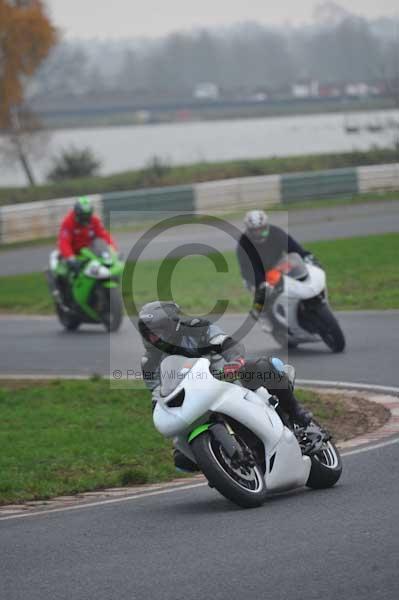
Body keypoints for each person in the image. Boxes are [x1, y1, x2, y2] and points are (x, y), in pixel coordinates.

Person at [138, 300, 312, 472]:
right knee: (182, 459)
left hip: (226, 377)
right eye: (149, 334)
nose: (153, 337)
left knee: (264, 367)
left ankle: (296, 412)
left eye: (157, 331)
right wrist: (159, 406)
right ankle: (219, 466)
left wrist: (235, 361)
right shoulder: (149, 362)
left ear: (171, 325)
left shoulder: (197, 328)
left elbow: (227, 343)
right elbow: (157, 391)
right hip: (193, 397)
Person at [236, 209, 318, 320]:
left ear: (266, 226)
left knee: (298, 270)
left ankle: (311, 299)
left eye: (262, 230)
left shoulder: (276, 232)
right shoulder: (244, 243)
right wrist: (261, 282)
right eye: (254, 231)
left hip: (278, 265)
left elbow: (292, 246)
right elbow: (247, 269)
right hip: (255, 274)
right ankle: (262, 315)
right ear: (248, 230)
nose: (259, 233)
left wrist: (305, 256)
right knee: (262, 293)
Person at [56, 196, 117, 303]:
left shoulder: (94, 220)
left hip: (89, 251)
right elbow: (64, 242)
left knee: (105, 267)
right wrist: (70, 258)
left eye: (87, 216)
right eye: (83, 216)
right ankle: (67, 299)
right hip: (73, 253)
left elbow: (104, 235)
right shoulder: (68, 222)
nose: (85, 219)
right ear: (77, 213)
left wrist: (113, 249)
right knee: (67, 273)